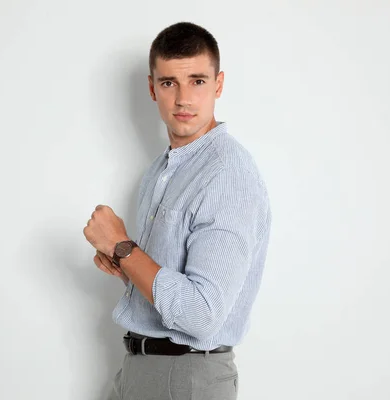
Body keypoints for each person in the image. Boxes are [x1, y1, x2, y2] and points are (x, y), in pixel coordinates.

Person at [83, 21, 272, 400]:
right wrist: (125, 266)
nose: (184, 98)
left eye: (198, 81)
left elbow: (201, 314)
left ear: (218, 85)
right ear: (153, 89)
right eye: (170, 83)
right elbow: (177, 282)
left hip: (185, 376)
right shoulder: (161, 170)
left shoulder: (226, 173)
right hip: (140, 369)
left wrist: (123, 246)